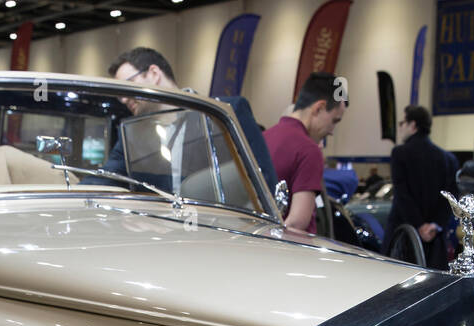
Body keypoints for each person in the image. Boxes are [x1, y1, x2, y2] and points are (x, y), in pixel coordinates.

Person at [104, 47, 277, 192]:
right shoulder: (134, 135)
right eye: (120, 95)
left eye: (129, 87)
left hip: (218, 227)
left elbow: (262, 179)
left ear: (154, 74)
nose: (124, 99)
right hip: (156, 229)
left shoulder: (222, 114)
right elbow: (106, 178)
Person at [263, 72, 347, 233]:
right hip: (290, 253)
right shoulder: (308, 150)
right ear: (319, 107)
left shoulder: (264, 138)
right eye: (334, 121)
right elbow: (296, 225)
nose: (332, 131)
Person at [383, 105, 456, 269]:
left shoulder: (400, 153)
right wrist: (434, 225)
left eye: (402, 123)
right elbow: (450, 197)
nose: (400, 127)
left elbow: (402, 194)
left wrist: (419, 225)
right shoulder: (448, 159)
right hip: (434, 237)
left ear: (413, 125)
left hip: (404, 235)